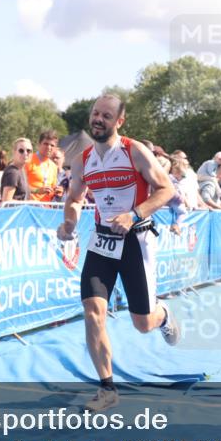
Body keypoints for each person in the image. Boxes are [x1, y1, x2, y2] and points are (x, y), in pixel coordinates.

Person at [56, 94, 181, 412]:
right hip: (101, 243)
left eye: (106, 116)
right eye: (95, 113)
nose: (98, 119)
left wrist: (135, 214)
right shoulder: (82, 159)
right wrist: (69, 222)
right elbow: (74, 198)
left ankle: (163, 315)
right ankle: (107, 388)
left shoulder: (133, 150)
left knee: (143, 323)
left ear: (119, 121)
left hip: (136, 242)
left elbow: (167, 189)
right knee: (93, 311)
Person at [25, 129, 60, 202]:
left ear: (55, 148)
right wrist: (37, 190)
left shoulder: (54, 166)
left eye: (52, 145)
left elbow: (52, 189)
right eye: (46, 144)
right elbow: (20, 186)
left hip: (46, 206)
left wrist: (57, 191)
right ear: (39, 144)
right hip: (29, 205)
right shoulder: (28, 160)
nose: (49, 147)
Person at [1, 138, 31, 203]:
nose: (25, 153)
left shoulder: (21, 170)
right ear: (14, 152)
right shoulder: (13, 172)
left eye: (28, 151)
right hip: (14, 210)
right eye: (21, 151)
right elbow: (6, 201)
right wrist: (29, 203)